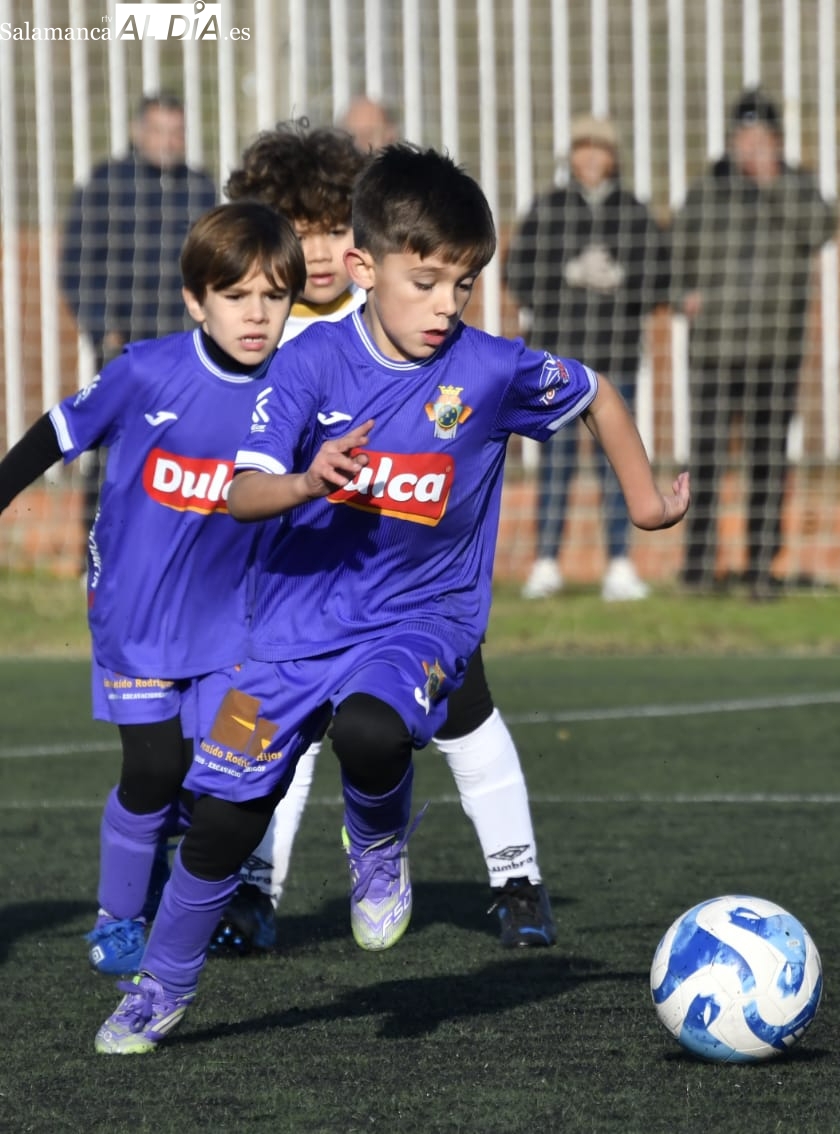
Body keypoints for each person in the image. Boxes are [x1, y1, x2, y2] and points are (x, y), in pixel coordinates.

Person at [93, 145, 689, 1054]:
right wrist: (303, 483)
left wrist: (645, 504)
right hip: (287, 636)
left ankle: (377, 852)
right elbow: (240, 490)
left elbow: (598, 392)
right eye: (427, 281)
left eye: (465, 282)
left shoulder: (489, 370)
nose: (448, 305)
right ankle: (159, 989)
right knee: (217, 825)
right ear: (365, 269)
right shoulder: (306, 367)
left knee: (373, 731)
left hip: (422, 620)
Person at [217, 122, 566, 954]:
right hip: (299, 581)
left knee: (466, 714)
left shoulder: (403, 320)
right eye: (302, 234)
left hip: (410, 579)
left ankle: (515, 877)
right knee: (264, 734)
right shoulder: (264, 334)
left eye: (338, 228)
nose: (326, 249)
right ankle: (248, 887)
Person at [0, 203, 302, 976]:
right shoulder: (146, 371)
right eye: (236, 296)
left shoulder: (297, 387)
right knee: (154, 770)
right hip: (136, 616)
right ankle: (117, 919)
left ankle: (210, 890)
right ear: (197, 301)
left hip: (239, 621)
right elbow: (59, 432)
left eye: (274, 296)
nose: (257, 314)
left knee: (231, 771)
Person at [672, 89, 836, 601]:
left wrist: (775, 183)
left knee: (768, 461)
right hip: (715, 352)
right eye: (743, 138)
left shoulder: (796, 187)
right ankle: (699, 569)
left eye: (761, 139)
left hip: (775, 350)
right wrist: (682, 295)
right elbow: (672, 254)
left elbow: (820, 229)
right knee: (708, 460)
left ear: (777, 143)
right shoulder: (707, 191)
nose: (751, 148)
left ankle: (762, 566)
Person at [508, 114, 669, 603]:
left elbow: (660, 277)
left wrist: (623, 280)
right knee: (554, 464)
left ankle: (620, 562)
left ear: (613, 156)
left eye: (601, 147)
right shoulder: (549, 209)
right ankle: (546, 562)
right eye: (583, 147)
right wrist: (567, 274)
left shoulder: (633, 212)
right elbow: (519, 273)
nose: (591, 157)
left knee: (617, 463)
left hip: (615, 357)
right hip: (558, 360)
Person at [59, 92, 219, 571]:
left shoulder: (200, 188)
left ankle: (181, 558)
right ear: (137, 131)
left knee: (189, 446)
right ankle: (97, 559)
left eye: (177, 130)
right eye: (160, 129)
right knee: (110, 448)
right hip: (123, 345)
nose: (169, 140)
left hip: (186, 344)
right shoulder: (106, 185)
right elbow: (75, 265)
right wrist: (100, 326)